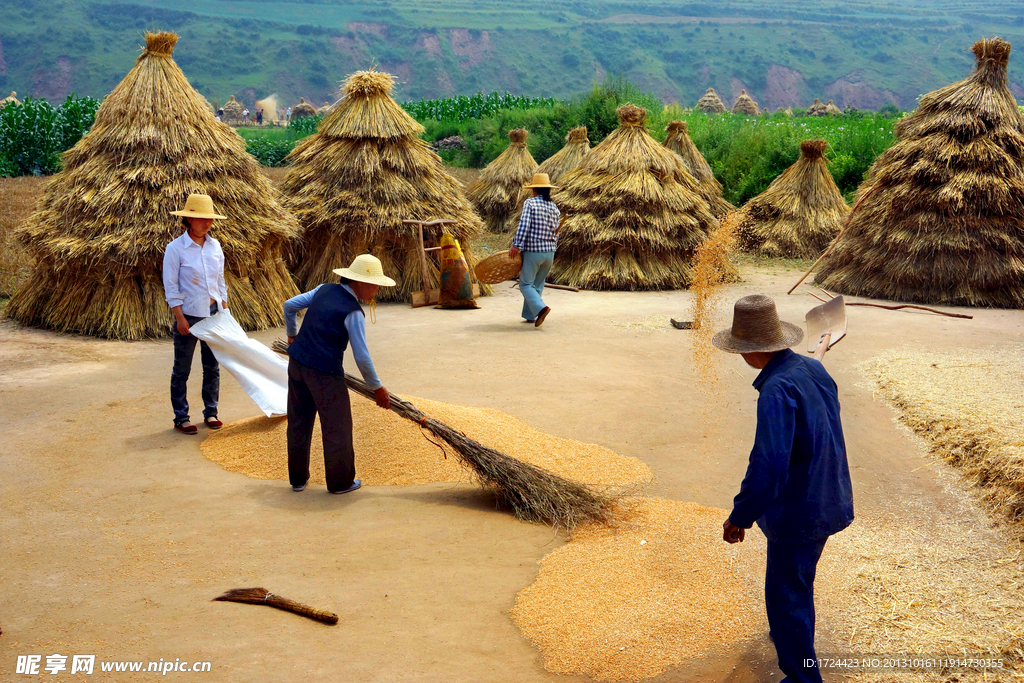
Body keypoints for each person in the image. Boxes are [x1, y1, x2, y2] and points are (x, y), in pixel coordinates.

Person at [713, 294, 854, 683]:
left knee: (785, 597)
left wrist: (740, 515)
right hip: (831, 495)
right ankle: (788, 634)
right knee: (797, 581)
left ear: (749, 352)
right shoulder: (812, 371)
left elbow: (770, 465)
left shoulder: (776, 391)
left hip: (800, 509)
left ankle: (803, 677)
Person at [283, 254, 394, 495]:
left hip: (298, 363)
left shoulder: (324, 289)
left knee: (299, 422)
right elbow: (362, 357)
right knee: (337, 427)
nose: (377, 291)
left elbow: (289, 305)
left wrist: (292, 334)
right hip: (324, 372)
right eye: (375, 285)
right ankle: (340, 482)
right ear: (361, 283)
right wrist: (377, 387)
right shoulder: (353, 312)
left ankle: (298, 480)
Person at [162, 194, 229, 435]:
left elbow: (220, 281)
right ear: (189, 219)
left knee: (212, 367)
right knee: (182, 369)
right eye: (201, 219)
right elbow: (171, 287)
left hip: (213, 314)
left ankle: (211, 411)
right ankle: (181, 417)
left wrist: (225, 310)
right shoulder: (175, 249)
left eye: (210, 219)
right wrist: (179, 318)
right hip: (188, 315)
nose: (207, 224)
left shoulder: (215, 247)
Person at [509, 172, 560, 327]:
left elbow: (524, 226)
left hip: (534, 252)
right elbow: (557, 232)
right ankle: (530, 316)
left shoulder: (530, 204)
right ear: (548, 190)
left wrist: (516, 244)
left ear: (534, 190)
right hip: (549, 253)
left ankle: (541, 308)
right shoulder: (554, 207)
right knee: (537, 285)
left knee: (525, 284)